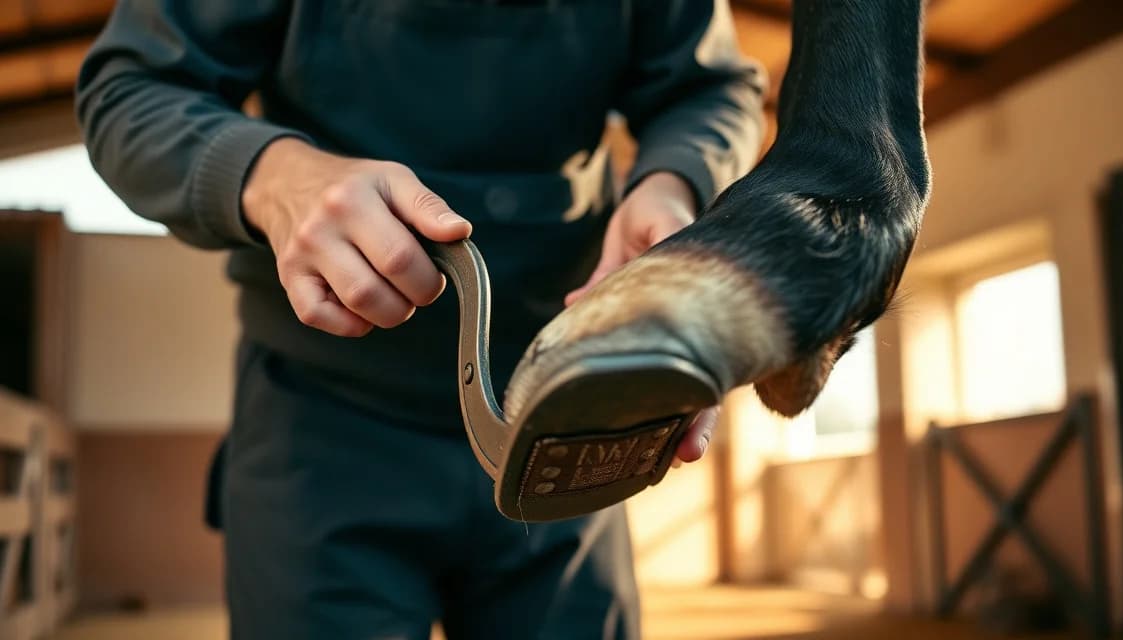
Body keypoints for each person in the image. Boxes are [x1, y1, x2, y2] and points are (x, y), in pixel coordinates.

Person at [76, 1, 765, 637]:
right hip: (322, 425)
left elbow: (712, 88)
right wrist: (274, 175)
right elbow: (128, 91)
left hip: (563, 420)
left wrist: (676, 186)